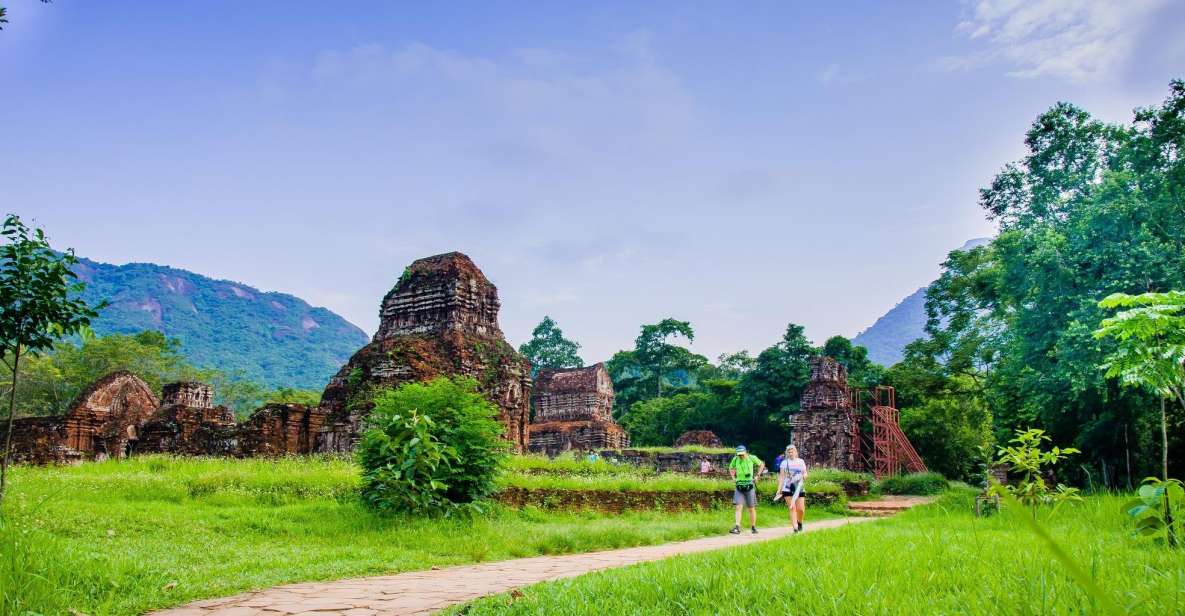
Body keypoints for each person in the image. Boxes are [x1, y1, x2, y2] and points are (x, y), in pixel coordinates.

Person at [728, 445, 765, 534]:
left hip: (749, 486)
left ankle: (753, 527)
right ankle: (737, 527)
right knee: (738, 506)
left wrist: (757, 475)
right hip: (739, 486)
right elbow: (731, 468)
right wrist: (733, 477)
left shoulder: (752, 458)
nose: (740, 456)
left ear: (746, 452)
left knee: (751, 508)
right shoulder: (735, 459)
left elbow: (761, 464)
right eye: (739, 455)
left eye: (742, 454)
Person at [777, 445, 808, 533]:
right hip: (787, 488)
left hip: (799, 487)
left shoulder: (801, 461)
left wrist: (804, 476)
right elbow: (782, 477)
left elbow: (805, 472)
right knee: (792, 508)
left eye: (792, 451)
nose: (791, 453)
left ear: (795, 452)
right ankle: (795, 528)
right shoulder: (784, 463)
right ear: (787, 453)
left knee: (801, 509)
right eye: (789, 452)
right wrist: (779, 489)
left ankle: (800, 523)